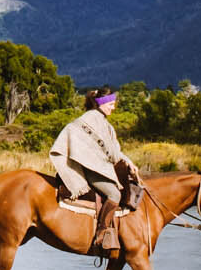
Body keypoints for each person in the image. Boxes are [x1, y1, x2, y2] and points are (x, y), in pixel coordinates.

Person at [50, 88, 137, 256]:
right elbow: (71, 135)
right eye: (111, 104)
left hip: (99, 166)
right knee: (114, 195)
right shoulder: (88, 120)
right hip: (90, 169)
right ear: (101, 103)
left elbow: (114, 151)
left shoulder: (104, 123)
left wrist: (129, 162)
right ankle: (102, 232)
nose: (113, 108)